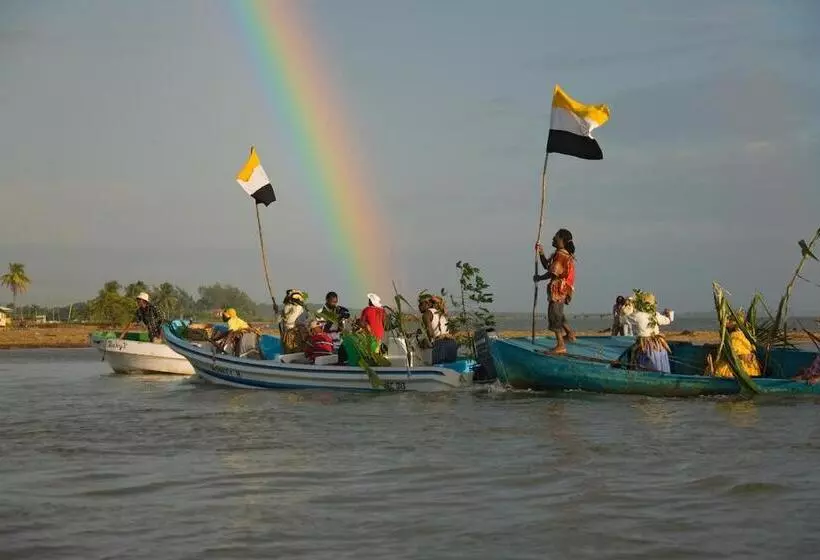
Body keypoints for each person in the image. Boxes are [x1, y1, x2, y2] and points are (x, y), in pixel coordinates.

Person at [534, 228, 576, 353]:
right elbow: (548, 266)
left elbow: (553, 272)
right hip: (562, 290)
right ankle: (570, 334)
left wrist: (540, 277)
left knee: (554, 315)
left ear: (562, 240)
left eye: (556, 237)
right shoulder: (561, 254)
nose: (553, 238)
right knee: (559, 313)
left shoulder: (561, 255)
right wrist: (541, 253)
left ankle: (560, 345)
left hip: (559, 290)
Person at [620, 291, 674, 372]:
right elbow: (669, 320)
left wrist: (627, 307)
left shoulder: (637, 315)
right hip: (658, 344)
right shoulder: (655, 315)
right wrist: (669, 313)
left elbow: (623, 320)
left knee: (635, 355)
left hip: (644, 345)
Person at [420, 294, 458, 363]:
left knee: (437, 368)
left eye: (421, 303)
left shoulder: (426, 314)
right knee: (449, 370)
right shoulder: (441, 313)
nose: (419, 306)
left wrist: (429, 343)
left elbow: (430, 332)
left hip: (441, 344)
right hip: (452, 343)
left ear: (428, 304)